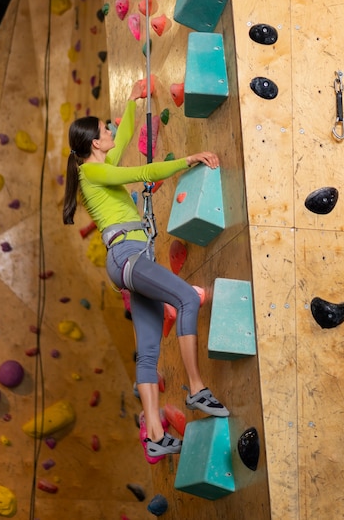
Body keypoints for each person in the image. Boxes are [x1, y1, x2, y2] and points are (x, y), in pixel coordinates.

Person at [63, 83, 230, 458]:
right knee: (187, 297)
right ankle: (197, 387)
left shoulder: (98, 166)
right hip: (128, 256)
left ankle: (154, 434)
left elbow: (122, 139)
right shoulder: (92, 174)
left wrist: (134, 100)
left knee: (149, 351)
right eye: (103, 131)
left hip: (128, 259)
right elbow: (145, 170)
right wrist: (189, 159)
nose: (109, 131)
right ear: (94, 144)